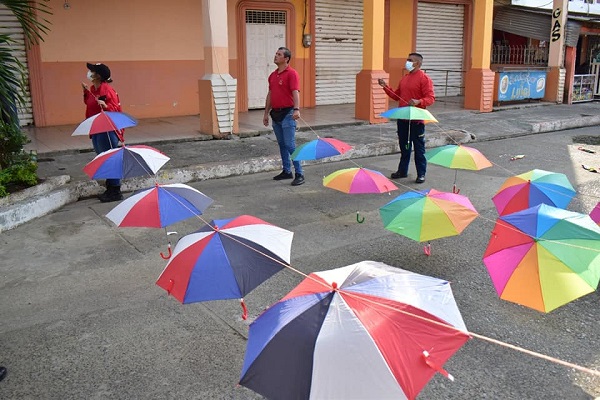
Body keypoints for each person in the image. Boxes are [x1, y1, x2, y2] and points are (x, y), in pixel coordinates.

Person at [378, 52, 435, 184]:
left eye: (410, 60)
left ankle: (421, 173)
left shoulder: (424, 79)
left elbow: (431, 98)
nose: (407, 62)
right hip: (403, 118)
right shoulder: (405, 78)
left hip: (417, 120)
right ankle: (402, 171)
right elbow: (397, 95)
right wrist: (385, 87)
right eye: (407, 60)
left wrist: (418, 101)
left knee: (419, 148)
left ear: (418, 63)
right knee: (404, 146)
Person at [82, 62, 124, 202]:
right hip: (97, 129)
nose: (89, 73)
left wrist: (106, 106)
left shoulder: (108, 90)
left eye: (92, 71)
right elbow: (91, 105)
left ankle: (115, 190)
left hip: (107, 129)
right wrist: (86, 92)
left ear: (98, 76)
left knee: (109, 158)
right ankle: (110, 187)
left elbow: (116, 110)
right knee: (102, 158)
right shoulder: (94, 89)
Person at [263, 47, 304, 186]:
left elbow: (295, 92)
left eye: (279, 54)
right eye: (276, 53)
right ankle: (287, 171)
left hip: (288, 113)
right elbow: (270, 95)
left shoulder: (292, 74)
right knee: (281, 144)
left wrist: (296, 109)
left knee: (290, 144)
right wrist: (266, 113)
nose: (275, 56)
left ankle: (299, 173)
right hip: (276, 114)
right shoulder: (273, 75)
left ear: (286, 58)